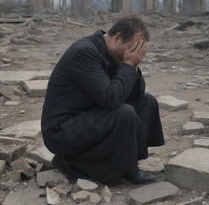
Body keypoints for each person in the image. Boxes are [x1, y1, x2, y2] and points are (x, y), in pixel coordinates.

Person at [41, 15, 165, 184]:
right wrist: (128, 65)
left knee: (146, 102)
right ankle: (77, 163)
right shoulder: (84, 52)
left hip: (88, 114)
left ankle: (127, 160)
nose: (132, 54)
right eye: (131, 48)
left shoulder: (115, 53)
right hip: (62, 131)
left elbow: (135, 95)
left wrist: (134, 66)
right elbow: (111, 100)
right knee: (123, 112)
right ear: (117, 37)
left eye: (137, 51)